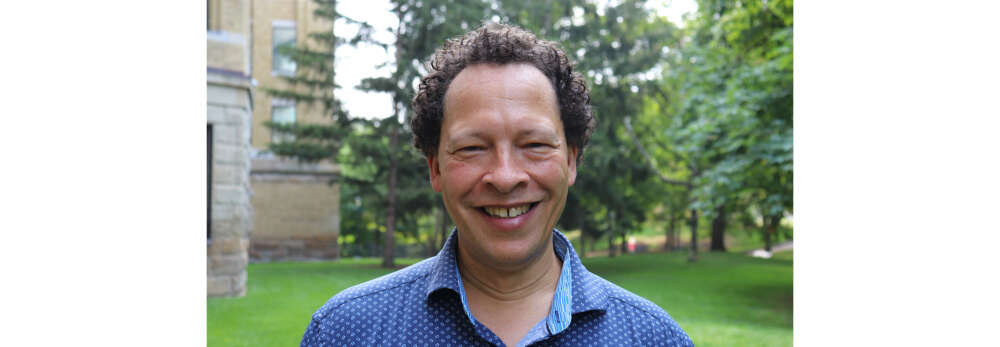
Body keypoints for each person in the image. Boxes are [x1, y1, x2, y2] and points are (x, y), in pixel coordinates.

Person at [300, 22, 693, 347]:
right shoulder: (343, 332)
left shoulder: (653, 337)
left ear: (571, 160)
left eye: (534, 145)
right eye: (472, 147)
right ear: (435, 168)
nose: (505, 177)